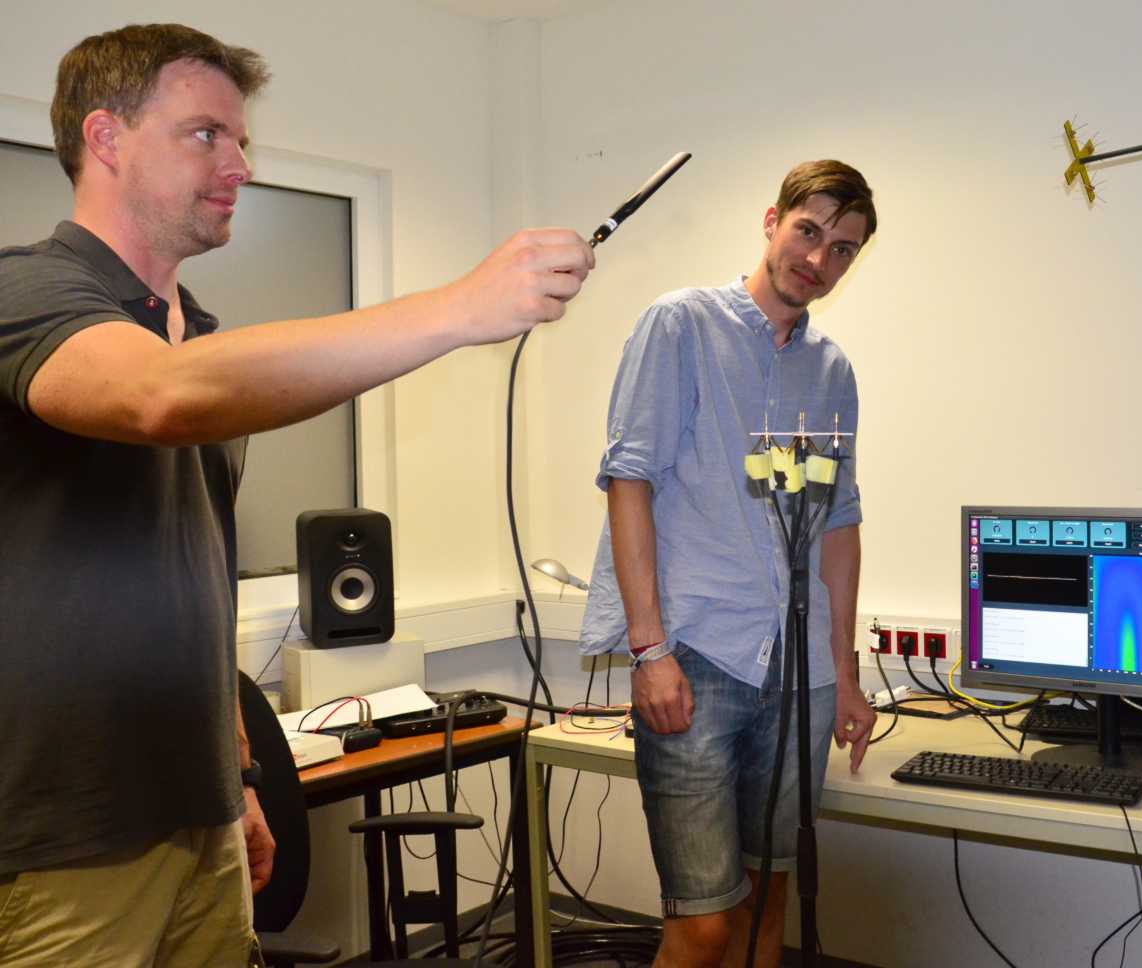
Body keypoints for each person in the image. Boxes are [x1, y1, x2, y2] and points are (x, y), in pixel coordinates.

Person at [0, 23, 593, 966]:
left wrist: (234, 779)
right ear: (105, 137)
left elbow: (195, 583)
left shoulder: (200, 336)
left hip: (199, 820)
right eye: (206, 135)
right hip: (67, 843)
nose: (239, 164)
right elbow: (156, 397)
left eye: (241, 140)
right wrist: (460, 307)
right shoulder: (28, 291)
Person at [579, 160, 878, 968]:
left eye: (842, 249)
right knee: (704, 925)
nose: (817, 259)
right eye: (808, 232)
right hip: (697, 660)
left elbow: (838, 524)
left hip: (801, 675)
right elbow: (629, 482)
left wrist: (845, 674)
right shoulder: (680, 325)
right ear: (771, 221)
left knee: (768, 898)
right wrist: (649, 650)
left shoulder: (831, 371)